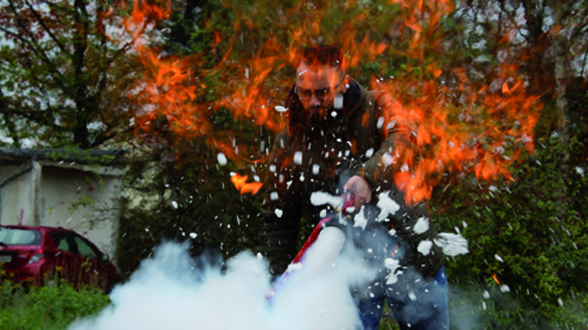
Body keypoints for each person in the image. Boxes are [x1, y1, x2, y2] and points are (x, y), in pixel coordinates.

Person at [259, 44, 448, 329]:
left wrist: (367, 177)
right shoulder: (289, 142)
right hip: (345, 275)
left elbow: (404, 140)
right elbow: (278, 220)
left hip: (412, 257)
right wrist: (278, 279)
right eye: (304, 93)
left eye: (322, 92)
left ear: (343, 83)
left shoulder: (377, 105)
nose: (312, 101)